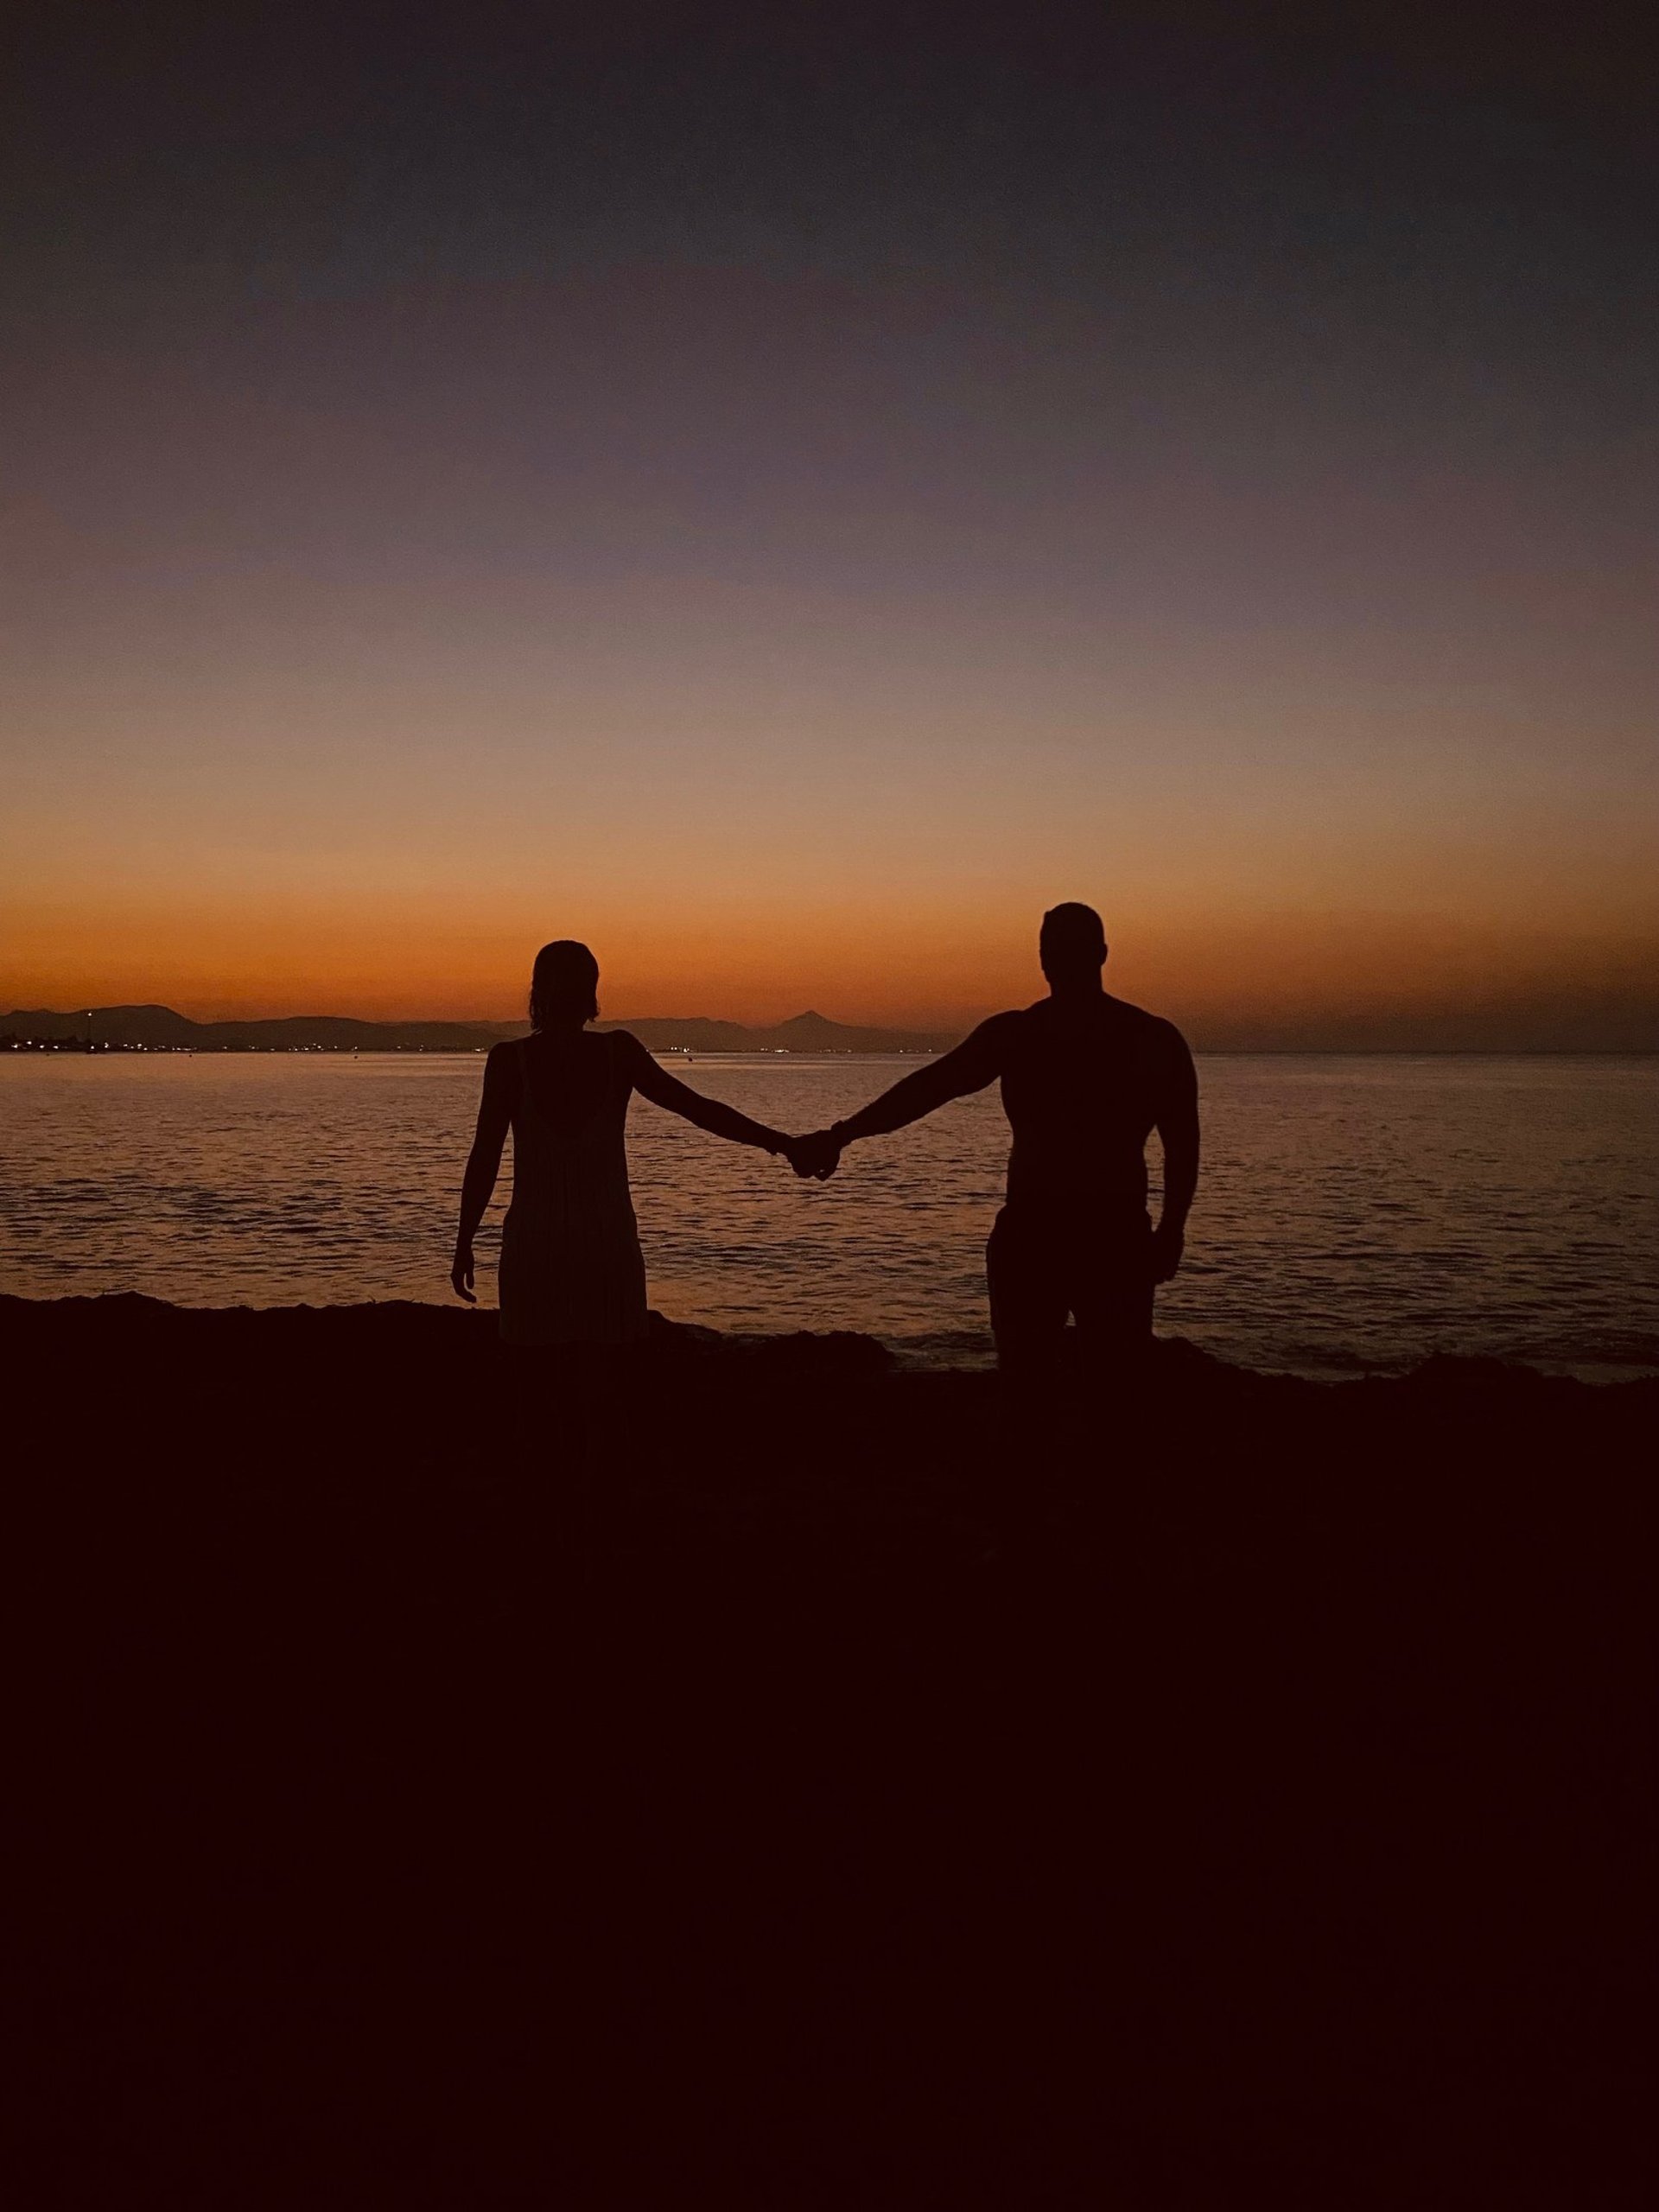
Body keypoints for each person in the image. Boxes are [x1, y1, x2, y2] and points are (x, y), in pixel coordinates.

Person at [789, 904, 1198, 1376]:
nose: (1056, 962)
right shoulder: (1144, 1039)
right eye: (1055, 951)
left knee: (1055, 1383)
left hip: (1076, 1236)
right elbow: (1182, 1146)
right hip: (1072, 1236)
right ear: (1097, 954)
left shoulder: (1030, 1036)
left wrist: (841, 1135)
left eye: (1062, 951)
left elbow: (929, 1089)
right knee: (1092, 1383)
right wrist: (1170, 1230)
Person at [451, 940, 803, 1348]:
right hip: (607, 1243)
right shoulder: (618, 1052)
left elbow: (484, 1160)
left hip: (536, 1244)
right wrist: (784, 1144)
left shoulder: (509, 1060)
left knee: (538, 1384)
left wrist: (464, 1244)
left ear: (537, 993)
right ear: (592, 994)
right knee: (614, 1383)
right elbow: (699, 1110)